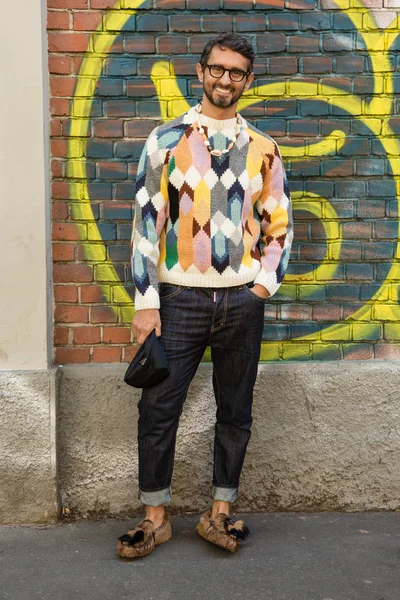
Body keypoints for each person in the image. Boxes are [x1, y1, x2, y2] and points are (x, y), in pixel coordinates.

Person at [117, 32, 293, 558]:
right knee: (158, 408)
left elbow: (279, 224)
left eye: (237, 72)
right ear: (201, 73)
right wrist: (147, 302)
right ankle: (155, 518)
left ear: (248, 81)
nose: (226, 79)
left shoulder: (263, 148)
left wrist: (262, 285)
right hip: (179, 301)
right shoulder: (166, 139)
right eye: (217, 69)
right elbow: (147, 226)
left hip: (242, 300)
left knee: (235, 410)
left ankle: (219, 512)